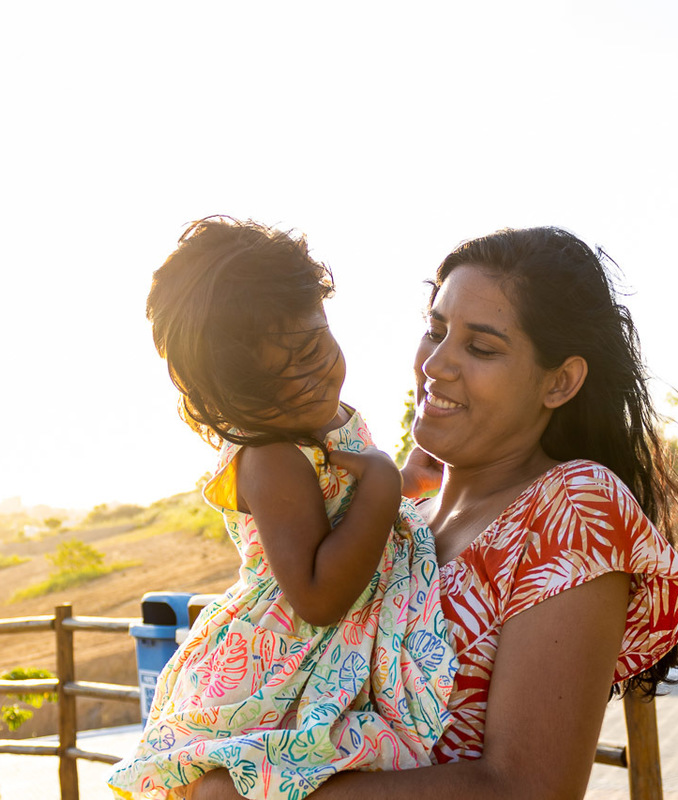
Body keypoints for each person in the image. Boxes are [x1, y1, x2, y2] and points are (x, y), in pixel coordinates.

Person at [186, 225, 678, 799]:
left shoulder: (570, 509)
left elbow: (529, 789)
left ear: (560, 381)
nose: (437, 364)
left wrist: (250, 794)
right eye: (436, 330)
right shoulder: (401, 520)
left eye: (482, 347)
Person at [107, 217, 457, 800]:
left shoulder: (311, 424)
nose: (315, 375)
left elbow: (341, 505)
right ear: (237, 392)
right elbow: (319, 596)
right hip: (281, 671)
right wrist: (379, 486)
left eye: (316, 344)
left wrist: (397, 479)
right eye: (284, 372)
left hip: (320, 651)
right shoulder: (272, 455)